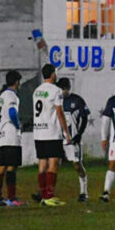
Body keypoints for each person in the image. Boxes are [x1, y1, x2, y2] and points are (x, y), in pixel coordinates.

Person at [32, 64, 72, 206]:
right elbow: (59, 112)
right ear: (52, 74)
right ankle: (49, 196)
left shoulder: (37, 91)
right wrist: (67, 133)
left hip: (38, 132)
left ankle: (43, 196)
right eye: (55, 72)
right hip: (51, 132)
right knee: (53, 163)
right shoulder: (56, 91)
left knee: (42, 164)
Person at [0, 71, 26, 207]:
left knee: (1, 167)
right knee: (12, 166)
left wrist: (0, 125)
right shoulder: (12, 96)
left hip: (0, 135)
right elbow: (12, 112)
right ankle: (12, 199)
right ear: (16, 82)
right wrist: (18, 126)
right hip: (11, 135)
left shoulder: (2, 96)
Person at [56, 78, 90, 202]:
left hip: (73, 139)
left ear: (68, 89)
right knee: (53, 166)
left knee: (77, 165)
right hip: (58, 138)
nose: (62, 92)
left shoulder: (77, 100)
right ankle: (46, 193)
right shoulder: (56, 101)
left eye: (63, 89)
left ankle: (84, 192)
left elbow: (85, 118)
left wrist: (79, 134)